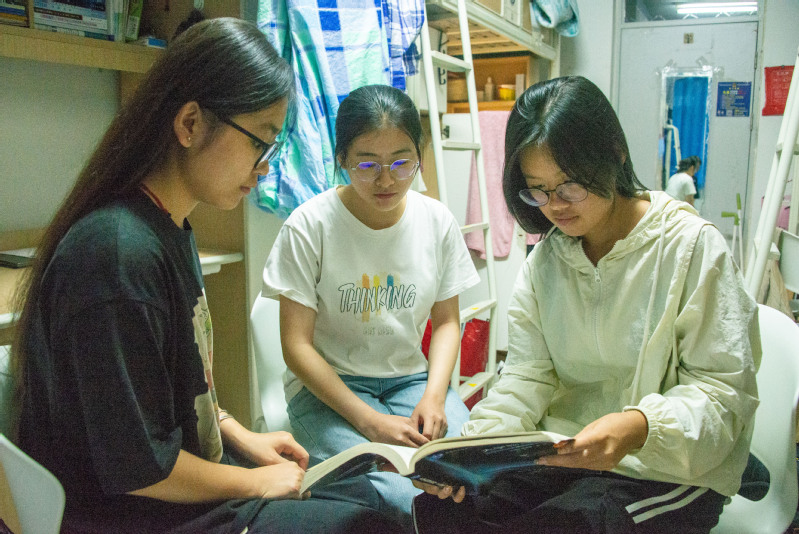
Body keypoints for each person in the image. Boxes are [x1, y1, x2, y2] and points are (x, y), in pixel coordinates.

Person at [9, 18, 402, 534]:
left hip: (179, 492)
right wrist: (254, 482)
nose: (265, 168)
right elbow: (138, 467)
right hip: (139, 515)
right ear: (190, 123)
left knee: (373, 498)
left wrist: (237, 433)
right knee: (368, 523)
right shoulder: (117, 256)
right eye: (260, 143)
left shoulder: (168, 228)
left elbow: (166, 391)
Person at [411, 76, 760, 533]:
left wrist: (639, 426)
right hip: (569, 455)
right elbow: (527, 376)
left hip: (665, 467)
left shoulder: (691, 248)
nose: (555, 206)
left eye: (570, 186)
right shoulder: (547, 261)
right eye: (537, 189)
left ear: (615, 153)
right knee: (446, 509)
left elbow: (723, 395)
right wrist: (467, 454)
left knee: (570, 525)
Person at [262, 83, 480, 530]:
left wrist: (434, 397)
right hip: (328, 391)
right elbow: (296, 346)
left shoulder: (436, 221)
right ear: (341, 158)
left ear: (419, 157)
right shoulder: (310, 226)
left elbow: (446, 322)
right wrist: (372, 423)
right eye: (367, 164)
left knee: (467, 474)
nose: (386, 180)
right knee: (399, 494)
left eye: (402, 162)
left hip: (411, 382)